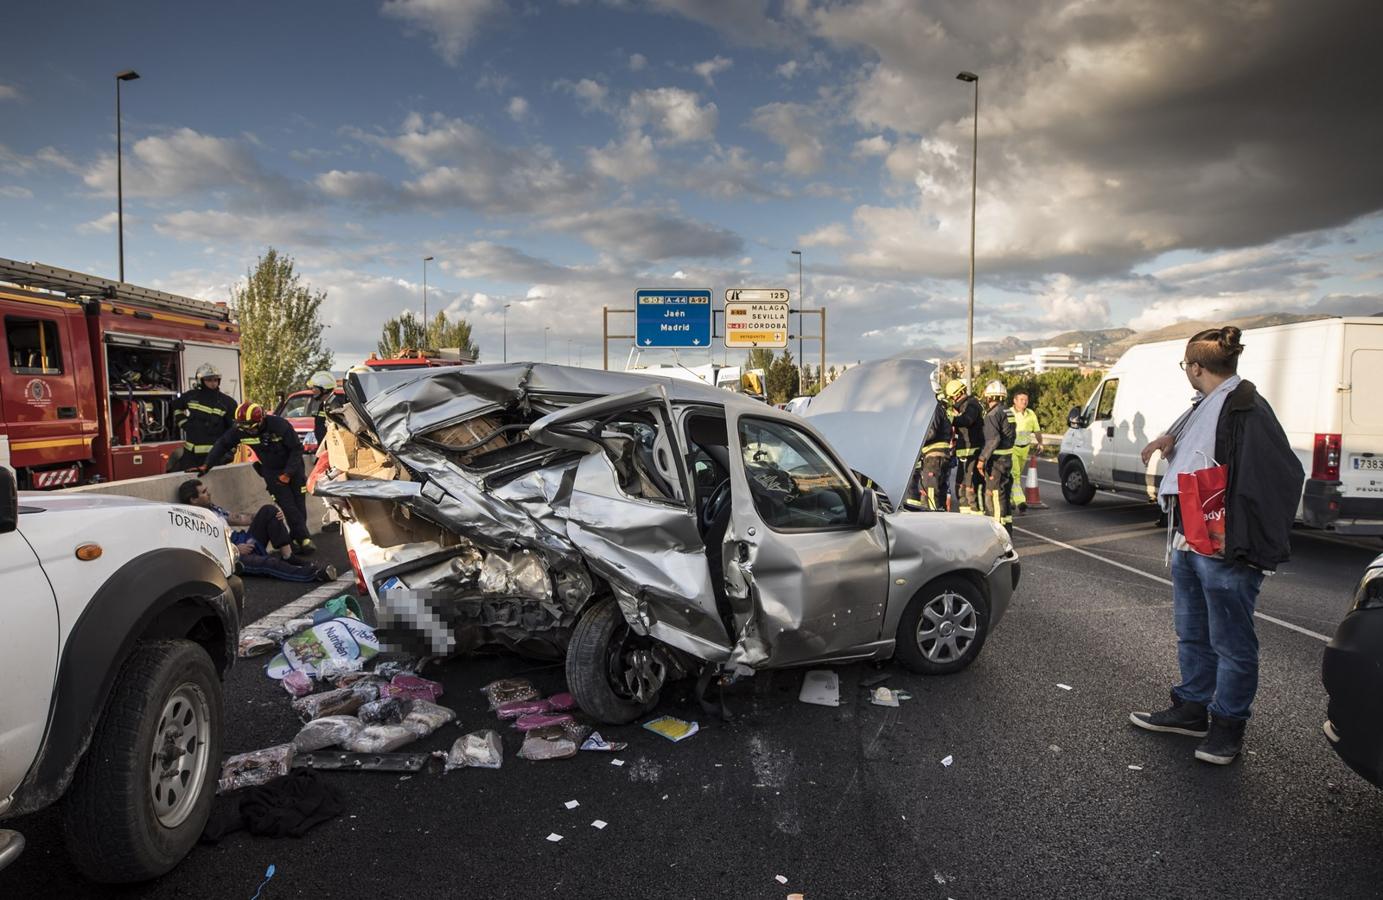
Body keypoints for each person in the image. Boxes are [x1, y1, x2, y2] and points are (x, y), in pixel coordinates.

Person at [1129, 326, 1303, 766]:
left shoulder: (1246, 406)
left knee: (1231, 641)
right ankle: (1192, 708)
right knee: (1194, 633)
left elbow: (1279, 474)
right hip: (1190, 540)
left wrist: (1240, 538)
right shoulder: (1208, 404)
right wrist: (1172, 440)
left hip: (1224, 548)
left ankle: (1227, 726)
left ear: (1196, 367)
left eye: (1186, 365)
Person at [198, 402, 316, 555]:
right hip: (271, 471)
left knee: (299, 505)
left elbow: (296, 449)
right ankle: (305, 539)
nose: (248, 431)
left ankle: (296, 538)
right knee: (287, 505)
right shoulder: (241, 430)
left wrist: (288, 473)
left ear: (261, 421)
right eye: (244, 427)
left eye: (251, 427)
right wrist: (207, 464)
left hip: (293, 469)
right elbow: (223, 444)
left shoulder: (279, 425)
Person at [177, 479, 335, 583]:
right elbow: (203, 549)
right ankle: (314, 574)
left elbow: (240, 519)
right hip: (232, 554)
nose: (209, 493)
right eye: (204, 492)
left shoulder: (212, 509)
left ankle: (288, 556)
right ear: (193, 500)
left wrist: (272, 514)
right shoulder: (194, 521)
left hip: (243, 540)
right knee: (269, 563)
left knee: (268, 510)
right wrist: (234, 550)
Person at [168, 363, 236, 471]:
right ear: (200, 380)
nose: (213, 383)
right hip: (190, 456)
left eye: (215, 380)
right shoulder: (191, 396)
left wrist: (230, 451)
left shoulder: (227, 403)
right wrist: (183, 423)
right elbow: (175, 406)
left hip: (214, 457)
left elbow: (233, 430)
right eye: (209, 380)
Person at [903, 385, 954, 511]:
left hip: (934, 458)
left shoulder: (933, 408)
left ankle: (933, 523)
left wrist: (914, 440)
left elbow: (931, 432)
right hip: (938, 457)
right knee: (938, 495)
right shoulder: (940, 408)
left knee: (931, 494)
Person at [977, 380, 1017, 533]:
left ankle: (998, 535)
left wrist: (982, 459)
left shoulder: (992, 415)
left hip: (997, 462)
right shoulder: (1008, 411)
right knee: (1004, 497)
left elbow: (994, 440)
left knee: (995, 497)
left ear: (989, 397)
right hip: (1007, 460)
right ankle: (1007, 529)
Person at [944, 379, 985, 514]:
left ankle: (976, 520)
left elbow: (967, 420)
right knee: (961, 488)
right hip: (964, 452)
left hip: (971, 453)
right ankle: (965, 517)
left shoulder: (971, 405)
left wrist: (951, 419)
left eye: (952, 397)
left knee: (970, 489)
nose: (952, 401)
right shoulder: (963, 406)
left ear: (957, 394)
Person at [1009, 391, 1041, 511]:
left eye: (1026, 400)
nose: (1024, 402)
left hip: (1025, 448)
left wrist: (1040, 442)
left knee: (1016, 475)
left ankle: (1010, 499)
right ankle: (1021, 501)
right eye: (1021, 399)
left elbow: (1036, 430)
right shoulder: (1009, 413)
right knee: (1015, 474)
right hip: (1012, 448)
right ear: (1015, 401)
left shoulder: (1031, 413)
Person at [306, 370, 336, 446]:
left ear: (324, 389)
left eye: (314, 388)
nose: (312, 390)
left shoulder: (335, 406)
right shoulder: (323, 405)